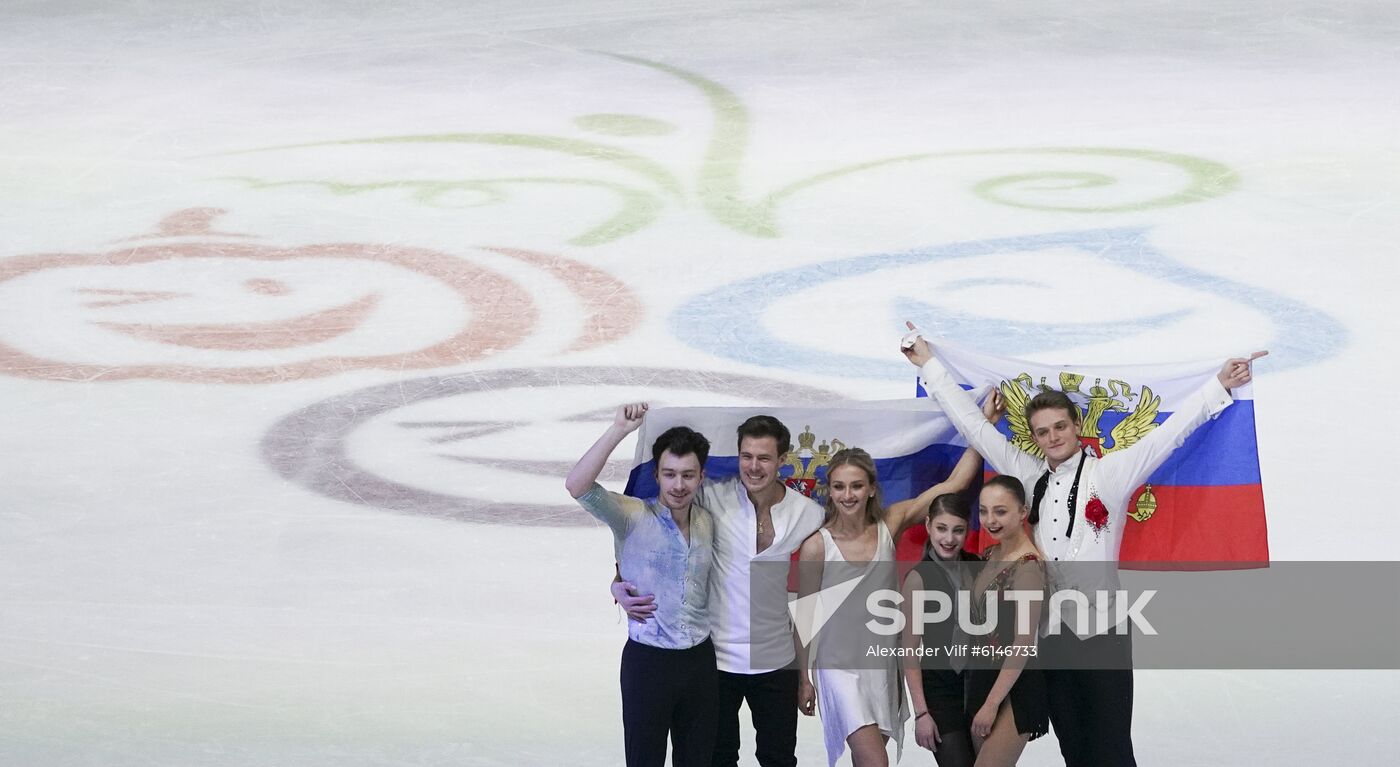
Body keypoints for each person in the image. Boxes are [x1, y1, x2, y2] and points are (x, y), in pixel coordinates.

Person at [901, 323, 1267, 767]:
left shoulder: (1109, 475)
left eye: (1059, 427)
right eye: (1041, 431)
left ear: (1076, 427)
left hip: (1103, 635)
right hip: (1051, 638)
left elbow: (1165, 438)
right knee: (1074, 749)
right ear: (1032, 438)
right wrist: (931, 368)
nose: (1052, 437)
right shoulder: (1030, 477)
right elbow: (977, 430)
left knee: (1111, 749)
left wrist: (1218, 387)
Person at [615, 415, 825, 767]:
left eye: (764, 458)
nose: (753, 467)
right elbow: (648, 531)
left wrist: (807, 675)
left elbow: (814, 594)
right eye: (746, 456)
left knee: (779, 760)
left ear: (782, 460)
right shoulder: (711, 497)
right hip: (716, 664)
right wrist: (617, 580)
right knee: (719, 759)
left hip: (777, 661)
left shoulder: (810, 514)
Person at [796, 440, 988, 767]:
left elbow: (953, 485)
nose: (848, 495)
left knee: (867, 759)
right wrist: (802, 678)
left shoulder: (890, 522)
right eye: (839, 487)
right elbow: (804, 616)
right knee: (875, 761)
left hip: (884, 661)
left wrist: (980, 426)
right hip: (838, 666)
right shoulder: (817, 546)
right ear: (829, 490)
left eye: (857, 486)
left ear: (871, 488)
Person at [566, 403, 717, 767]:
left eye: (687, 475)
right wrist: (619, 429)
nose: (678, 485)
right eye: (669, 474)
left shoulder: (709, 522)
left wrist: (616, 583)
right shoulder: (632, 515)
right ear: (656, 475)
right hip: (648, 663)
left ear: (701, 476)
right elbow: (577, 486)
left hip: (700, 661)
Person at [963, 475, 1049, 766]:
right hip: (983, 676)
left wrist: (991, 703)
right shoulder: (990, 554)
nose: (990, 519)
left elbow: (1024, 642)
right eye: (984, 511)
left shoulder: (1028, 567)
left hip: (1017, 686)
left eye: (1000, 511)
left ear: (1022, 512)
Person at [900, 492, 983, 767]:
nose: (949, 539)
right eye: (941, 528)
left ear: (968, 530)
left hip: (978, 686)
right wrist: (921, 713)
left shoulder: (979, 566)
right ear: (928, 526)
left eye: (958, 530)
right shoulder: (918, 579)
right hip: (940, 691)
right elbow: (909, 651)